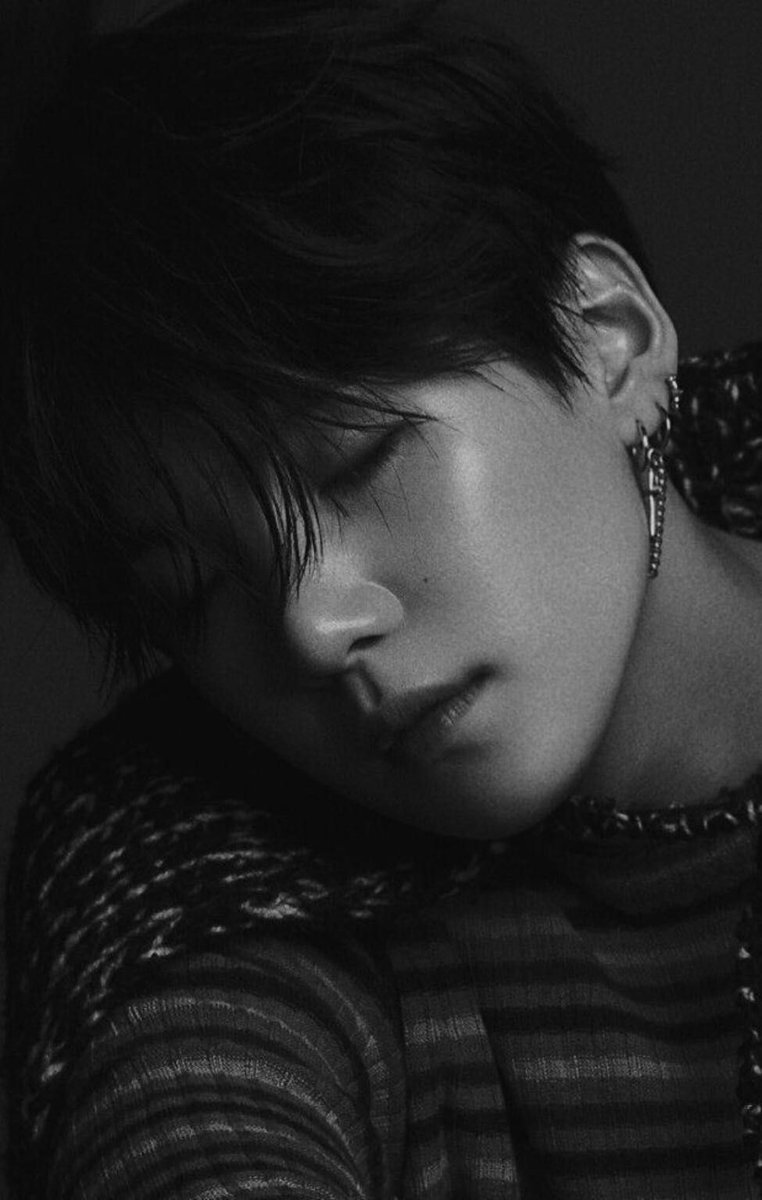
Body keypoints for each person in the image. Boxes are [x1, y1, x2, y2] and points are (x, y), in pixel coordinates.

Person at [2, 0, 762, 1196]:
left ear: (608, 338)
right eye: (196, 590)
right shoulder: (187, 877)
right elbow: (188, 1128)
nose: (310, 629)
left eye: (359, 462)